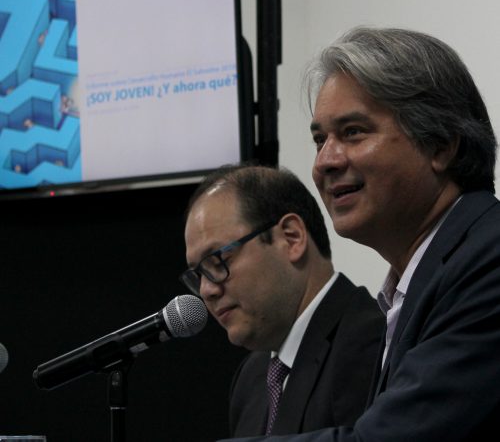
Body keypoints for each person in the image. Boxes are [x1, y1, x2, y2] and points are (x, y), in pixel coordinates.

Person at [222, 26, 500, 442]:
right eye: (320, 140)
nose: (325, 161)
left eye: (352, 132)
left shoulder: (488, 260)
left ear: (441, 145)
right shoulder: (419, 284)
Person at [181, 164, 384, 437]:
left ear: (292, 237)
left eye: (218, 260)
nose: (207, 290)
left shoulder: (373, 343)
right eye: (198, 274)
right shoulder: (251, 376)